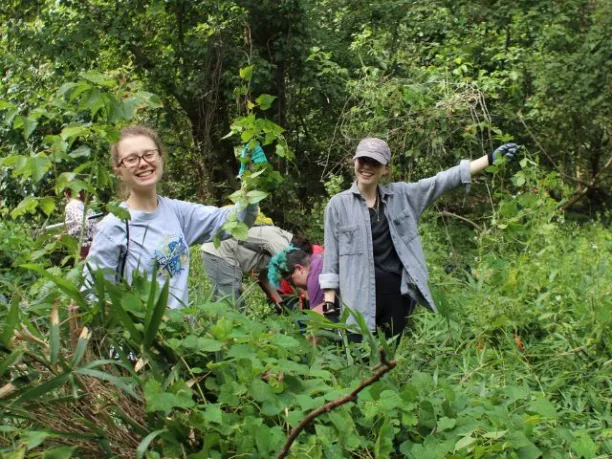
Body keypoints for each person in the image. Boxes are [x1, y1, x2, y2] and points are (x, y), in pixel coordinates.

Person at [320, 138, 520, 339]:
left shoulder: (402, 196)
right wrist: (329, 302)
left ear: (386, 169)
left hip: (396, 297)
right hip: (357, 299)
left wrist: (490, 158)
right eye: (362, 160)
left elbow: (440, 182)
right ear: (354, 162)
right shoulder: (338, 205)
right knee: (358, 358)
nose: (367, 167)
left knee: (389, 360)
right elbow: (331, 258)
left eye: (374, 162)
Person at [84, 125, 259, 309]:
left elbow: (233, 221)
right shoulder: (114, 226)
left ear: (160, 157)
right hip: (142, 335)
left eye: (149, 154)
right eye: (131, 159)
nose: (143, 163)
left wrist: (251, 181)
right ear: (118, 170)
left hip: (182, 333)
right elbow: (94, 297)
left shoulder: (176, 212)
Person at [200, 222, 293, 307]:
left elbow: (263, 278)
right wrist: (306, 298)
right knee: (231, 303)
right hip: (219, 251)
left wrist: (280, 304)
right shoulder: (281, 243)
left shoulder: (277, 246)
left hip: (219, 251)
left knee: (232, 304)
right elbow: (293, 273)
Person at [268, 242, 325, 312]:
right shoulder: (316, 258)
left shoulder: (313, 279)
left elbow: (318, 320)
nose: (291, 284)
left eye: (290, 280)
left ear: (299, 268)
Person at [63, 189, 99, 259]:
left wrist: (67, 234)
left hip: (84, 248)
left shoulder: (71, 206)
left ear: (66, 194)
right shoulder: (85, 206)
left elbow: (85, 224)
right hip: (94, 245)